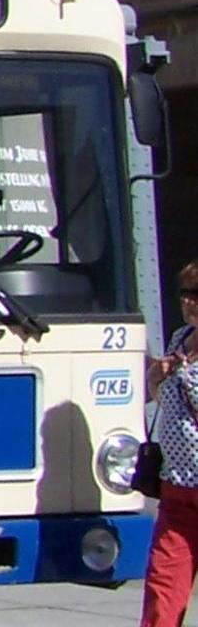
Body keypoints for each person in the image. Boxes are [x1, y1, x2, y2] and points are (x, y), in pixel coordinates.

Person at [145, 259, 198, 627]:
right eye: (184, 294)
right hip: (177, 485)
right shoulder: (180, 338)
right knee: (164, 583)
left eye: (197, 295)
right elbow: (165, 402)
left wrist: (186, 375)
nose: (189, 302)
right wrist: (155, 378)